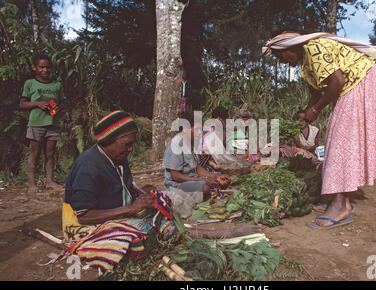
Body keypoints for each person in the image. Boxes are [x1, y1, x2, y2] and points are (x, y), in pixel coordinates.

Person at [61, 111, 259, 271]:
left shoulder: (117, 158)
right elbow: (84, 215)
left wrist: (137, 190)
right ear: (109, 140)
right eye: (127, 144)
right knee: (156, 230)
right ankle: (222, 234)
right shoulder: (88, 166)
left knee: (162, 211)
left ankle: (206, 233)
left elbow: (119, 184)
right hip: (88, 225)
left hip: (118, 210)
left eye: (132, 144)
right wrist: (131, 209)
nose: (131, 149)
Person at [263, 32, 376, 229]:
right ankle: (344, 200)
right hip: (355, 85)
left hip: (362, 81)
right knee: (341, 140)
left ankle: (339, 204)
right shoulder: (306, 64)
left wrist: (316, 110)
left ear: (290, 47)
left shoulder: (314, 48)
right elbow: (316, 92)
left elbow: (338, 82)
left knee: (340, 142)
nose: (282, 60)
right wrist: (306, 112)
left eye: (280, 55)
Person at [19, 53, 65, 193]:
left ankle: (49, 181)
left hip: (53, 124)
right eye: (41, 67)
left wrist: (59, 107)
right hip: (36, 124)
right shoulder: (30, 83)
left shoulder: (57, 85)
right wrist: (37, 104)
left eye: (48, 67)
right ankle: (32, 184)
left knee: (50, 154)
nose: (45, 70)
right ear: (34, 68)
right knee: (34, 153)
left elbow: (63, 102)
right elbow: (22, 104)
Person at [163, 111, 230, 199]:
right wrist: (202, 180)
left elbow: (197, 168)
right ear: (185, 128)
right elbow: (176, 176)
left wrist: (216, 176)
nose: (200, 132)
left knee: (220, 182)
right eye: (197, 129)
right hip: (176, 185)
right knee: (205, 188)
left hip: (192, 181)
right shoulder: (175, 144)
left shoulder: (192, 143)